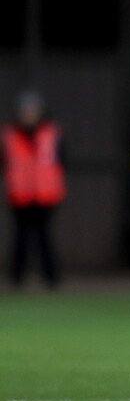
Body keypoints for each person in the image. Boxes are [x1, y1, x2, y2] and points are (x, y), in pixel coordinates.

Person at [2, 90, 65, 289]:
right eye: (25, 111)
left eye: (33, 110)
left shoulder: (52, 133)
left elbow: (62, 162)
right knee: (20, 237)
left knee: (44, 236)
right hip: (19, 195)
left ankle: (51, 278)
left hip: (46, 195)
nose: (29, 115)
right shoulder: (10, 135)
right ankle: (16, 278)